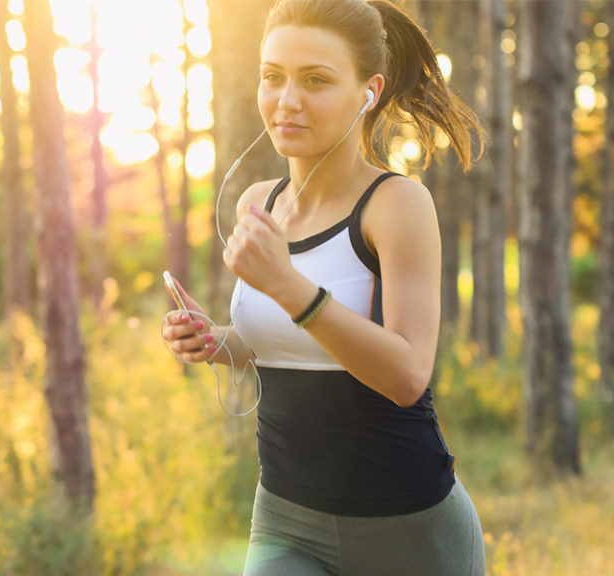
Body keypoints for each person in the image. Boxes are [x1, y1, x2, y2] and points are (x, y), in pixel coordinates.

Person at [162, 0, 486, 574]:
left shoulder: (395, 205)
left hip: (408, 528)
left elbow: (408, 375)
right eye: (272, 77)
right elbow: (282, 345)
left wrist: (289, 287)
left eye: (315, 80)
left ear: (369, 90)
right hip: (286, 519)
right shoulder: (256, 203)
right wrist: (216, 341)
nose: (287, 101)